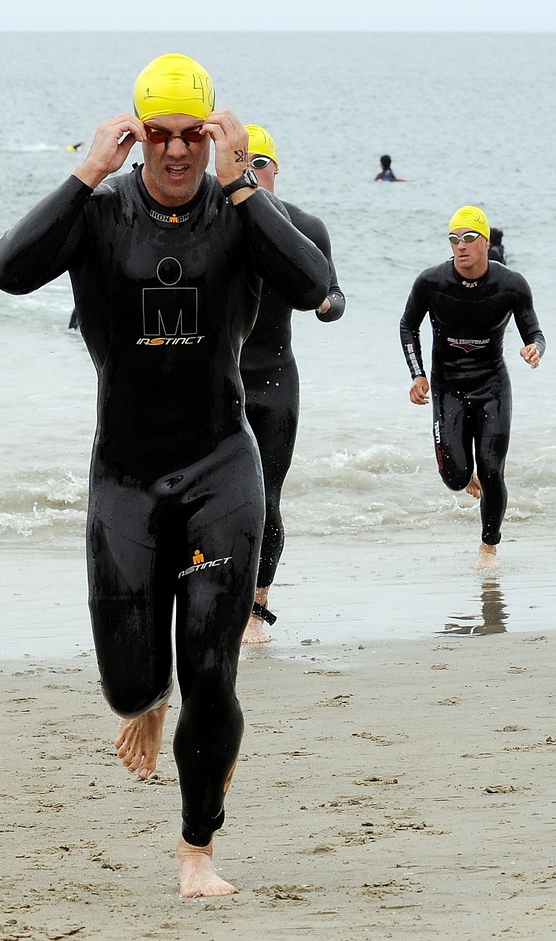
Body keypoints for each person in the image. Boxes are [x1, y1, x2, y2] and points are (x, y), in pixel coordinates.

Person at [0, 53, 328, 898]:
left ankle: (196, 849)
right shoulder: (101, 214)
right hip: (126, 476)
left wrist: (243, 180)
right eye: (159, 135)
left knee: (211, 667)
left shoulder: (241, 211)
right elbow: (6, 270)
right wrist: (84, 171)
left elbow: (317, 284)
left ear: (211, 131)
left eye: (192, 134)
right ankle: (148, 699)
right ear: (137, 135)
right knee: (130, 682)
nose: (177, 152)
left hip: (220, 465)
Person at [238, 125, 346, 645]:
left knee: (268, 497)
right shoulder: (222, 224)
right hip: (221, 380)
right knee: (213, 496)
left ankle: (258, 607)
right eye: (244, 163)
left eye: (261, 162)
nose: (253, 172)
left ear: (276, 169)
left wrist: (328, 304)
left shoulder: (305, 227)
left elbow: (335, 295)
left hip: (277, 378)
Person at [400, 205, 544, 570]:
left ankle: (488, 547)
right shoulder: (431, 282)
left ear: (485, 243)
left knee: (493, 469)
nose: (460, 246)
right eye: (453, 239)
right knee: (455, 478)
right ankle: (466, 477)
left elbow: (535, 333)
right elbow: (407, 326)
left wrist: (534, 349)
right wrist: (417, 375)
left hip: (492, 385)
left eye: (468, 238)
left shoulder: (511, 284)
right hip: (448, 388)